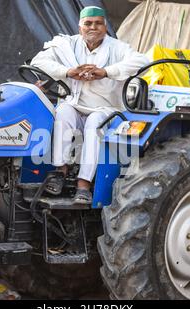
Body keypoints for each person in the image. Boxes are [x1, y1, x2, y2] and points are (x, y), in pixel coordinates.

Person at [31, 6, 149, 204]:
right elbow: (39, 61)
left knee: (94, 123)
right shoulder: (67, 44)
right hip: (75, 105)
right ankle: (60, 171)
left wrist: (106, 72)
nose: (93, 27)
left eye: (98, 23)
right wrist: (68, 72)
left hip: (105, 109)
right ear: (80, 27)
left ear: (105, 27)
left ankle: (83, 185)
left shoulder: (117, 47)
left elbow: (143, 62)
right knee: (63, 112)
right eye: (88, 23)